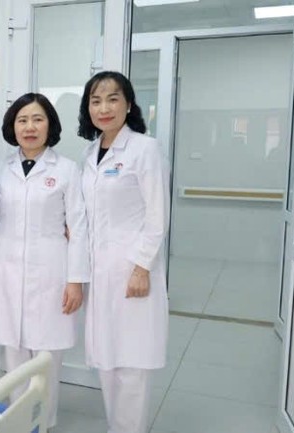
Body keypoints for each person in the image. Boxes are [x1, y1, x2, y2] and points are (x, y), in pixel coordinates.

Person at [0, 92, 89, 428]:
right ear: (12, 127)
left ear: (49, 125)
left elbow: (79, 228)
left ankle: (43, 423)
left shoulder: (67, 170)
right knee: (13, 353)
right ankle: (18, 423)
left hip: (52, 269)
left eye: (37, 119)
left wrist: (76, 280)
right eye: (22, 120)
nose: (29, 127)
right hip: (7, 268)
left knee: (46, 356)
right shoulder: (2, 170)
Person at [78, 71, 170, 433]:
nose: (104, 108)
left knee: (132, 361)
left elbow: (157, 215)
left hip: (132, 268)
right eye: (96, 101)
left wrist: (142, 267)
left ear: (128, 104)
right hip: (100, 270)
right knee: (107, 356)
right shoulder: (90, 153)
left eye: (113, 99)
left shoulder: (145, 149)